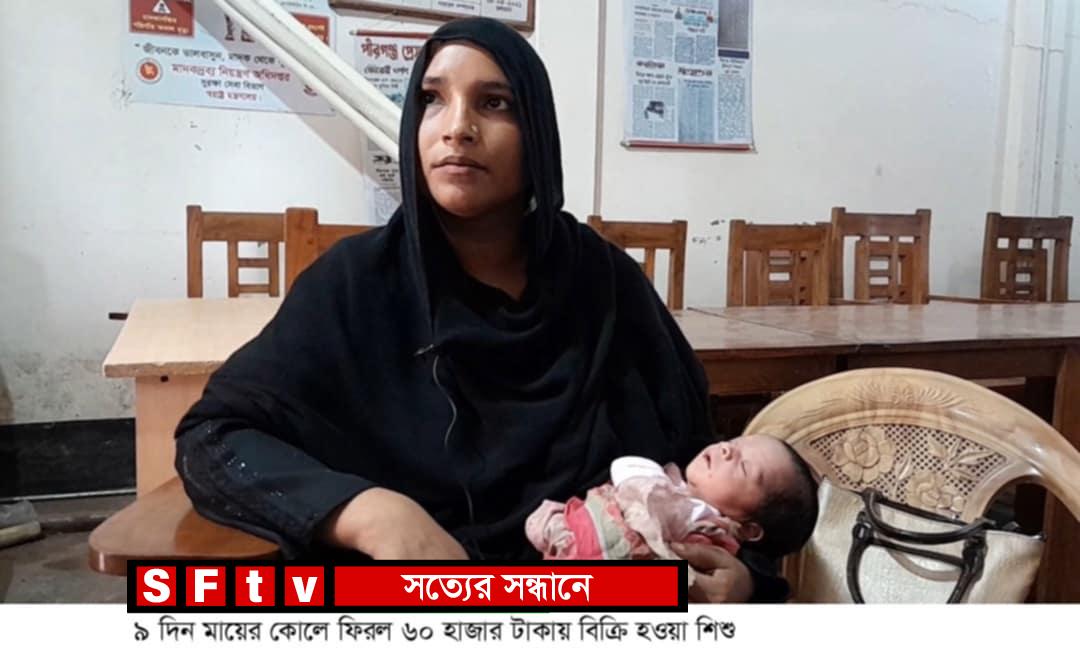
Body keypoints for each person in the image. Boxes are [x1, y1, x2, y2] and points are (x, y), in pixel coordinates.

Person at [174, 17, 787, 602]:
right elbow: (214, 437)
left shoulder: (606, 285)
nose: (457, 128)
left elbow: (702, 468)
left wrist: (741, 580)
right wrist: (371, 514)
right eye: (433, 100)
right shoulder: (356, 285)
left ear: (537, 132)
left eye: (494, 103)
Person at [526, 435, 819, 563]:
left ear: (749, 528)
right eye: (734, 442)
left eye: (744, 467)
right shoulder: (670, 484)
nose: (726, 449)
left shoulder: (705, 536)